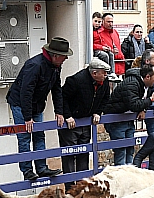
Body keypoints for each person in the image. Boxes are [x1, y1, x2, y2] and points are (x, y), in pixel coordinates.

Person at [6, 36, 73, 180]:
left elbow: (57, 89)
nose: (66, 59)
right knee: (24, 136)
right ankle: (27, 170)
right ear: (55, 56)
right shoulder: (35, 65)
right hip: (20, 104)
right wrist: (27, 117)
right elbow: (26, 92)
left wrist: (59, 111)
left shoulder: (55, 66)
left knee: (39, 135)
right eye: (64, 56)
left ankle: (42, 168)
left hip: (37, 104)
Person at [59, 58, 111, 174]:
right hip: (71, 123)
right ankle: (70, 189)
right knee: (69, 155)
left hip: (86, 122)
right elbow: (62, 98)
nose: (106, 75)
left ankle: (82, 187)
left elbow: (106, 98)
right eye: (104, 72)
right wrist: (67, 115)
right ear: (94, 73)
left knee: (84, 154)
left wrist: (98, 112)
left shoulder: (104, 82)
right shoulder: (76, 80)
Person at [103, 62, 154, 165]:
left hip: (127, 119)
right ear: (147, 77)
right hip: (116, 120)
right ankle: (121, 178)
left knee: (130, 149)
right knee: (121, 151)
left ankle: (128, 176)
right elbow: (134, 104)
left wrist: (143, 110)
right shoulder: (131, 83)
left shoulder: (144, 84)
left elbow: (140, 101)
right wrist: (151, 99)